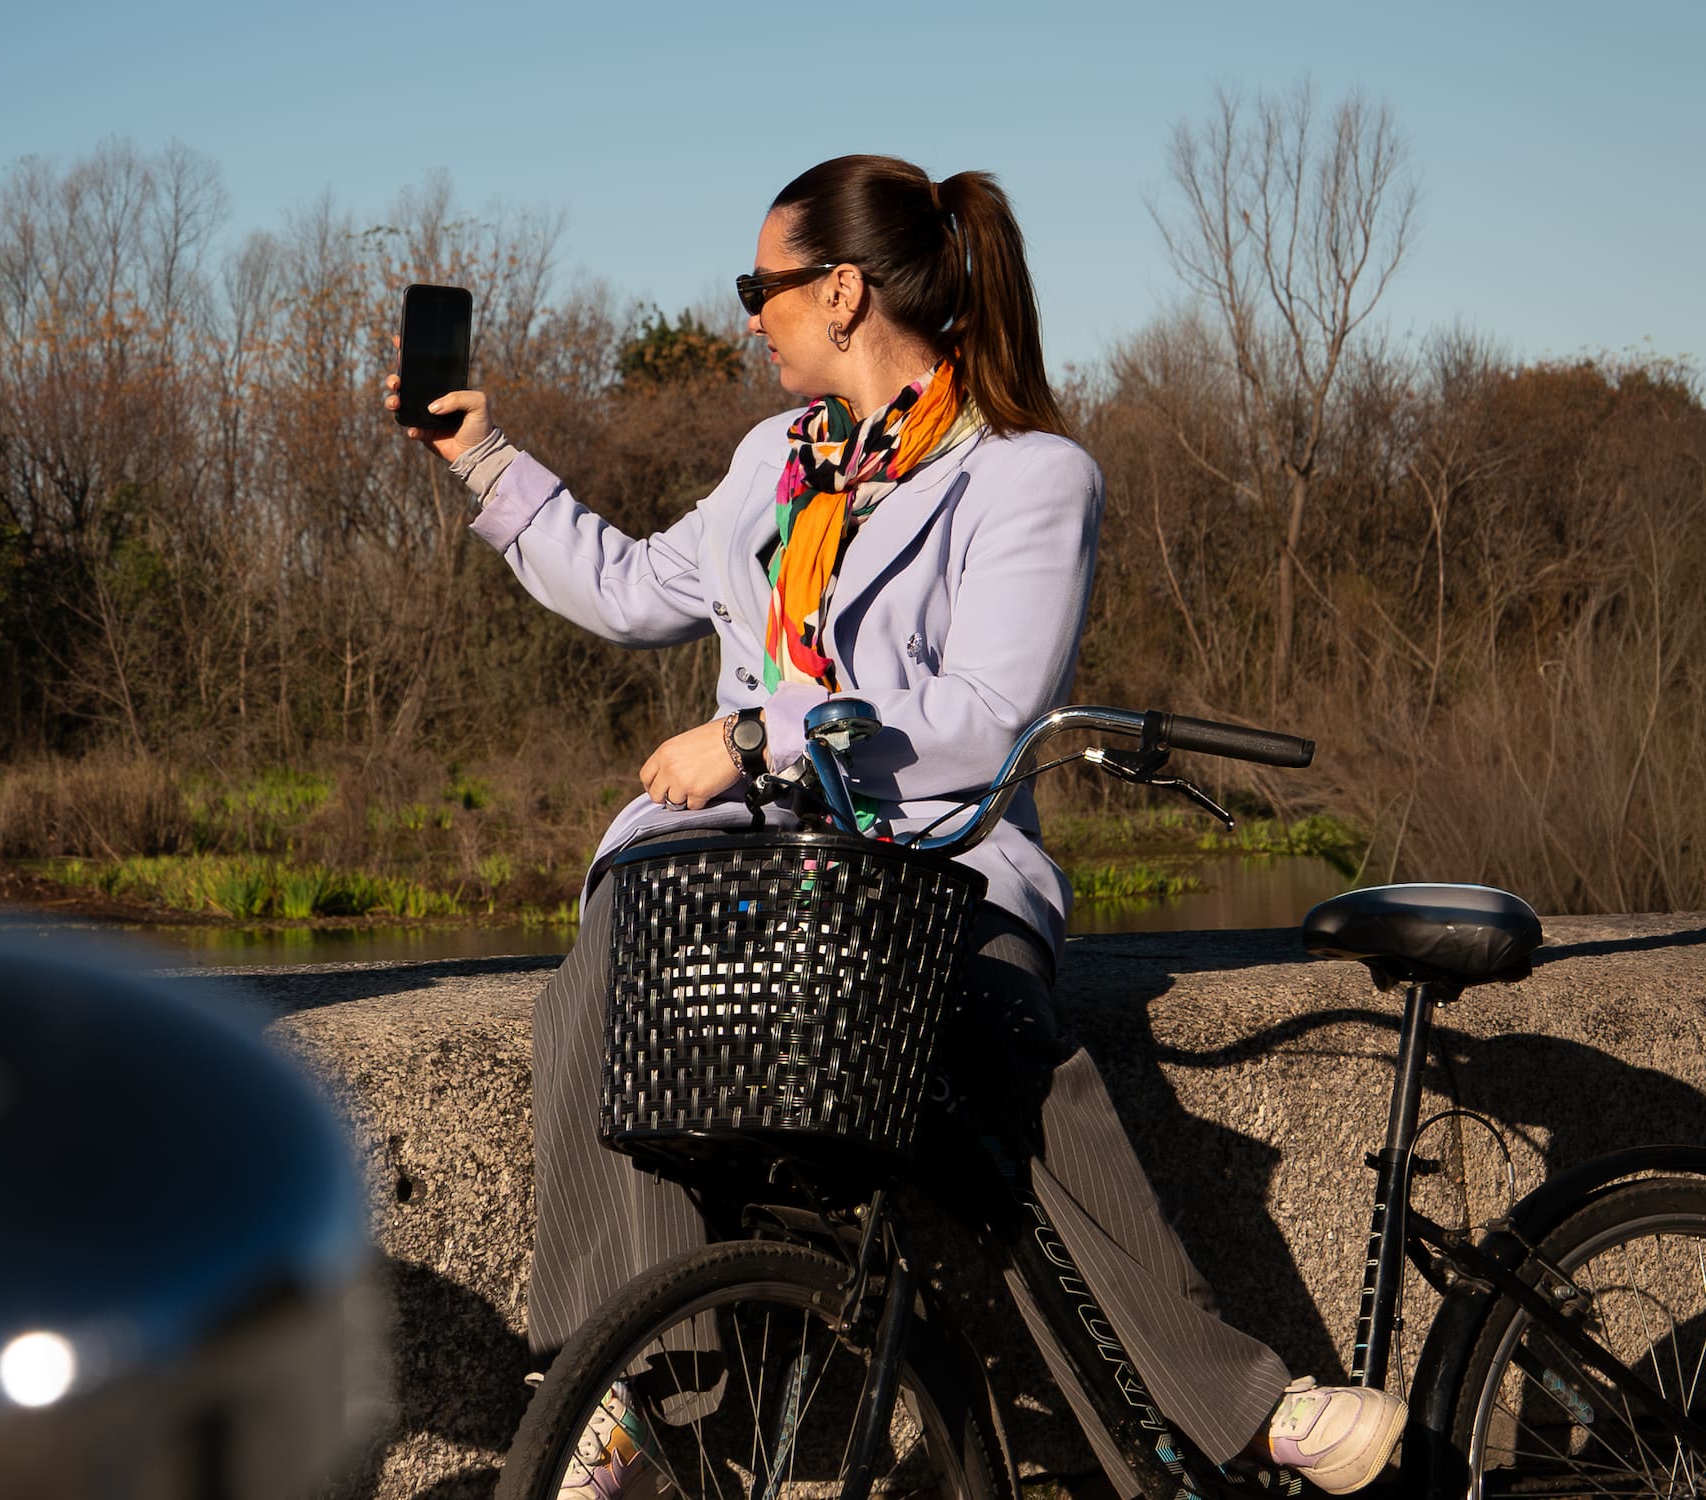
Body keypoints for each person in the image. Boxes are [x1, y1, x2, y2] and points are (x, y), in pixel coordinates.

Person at [387, 155, 1404, 1498]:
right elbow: (634, 589)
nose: (750, 315)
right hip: (758, 862)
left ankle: (1248, 1405)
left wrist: (763, 735)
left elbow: (986, 716)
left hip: (934, 856)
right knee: (607, 983)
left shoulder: (1028, 478)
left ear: (843, 291)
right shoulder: (774, 463)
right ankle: (629, 1391)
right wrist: (482, 458)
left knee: (995, 1037)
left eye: (761, 286)